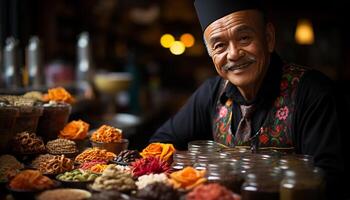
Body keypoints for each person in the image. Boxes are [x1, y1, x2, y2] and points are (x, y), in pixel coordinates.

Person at [150, 0, 345, 199]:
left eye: (244, 38)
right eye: (220, 45)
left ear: (268, 38)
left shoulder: (312, 92)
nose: (233, 54)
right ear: (211, 54)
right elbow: (161, 145)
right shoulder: (212, 92)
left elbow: (330, 180)